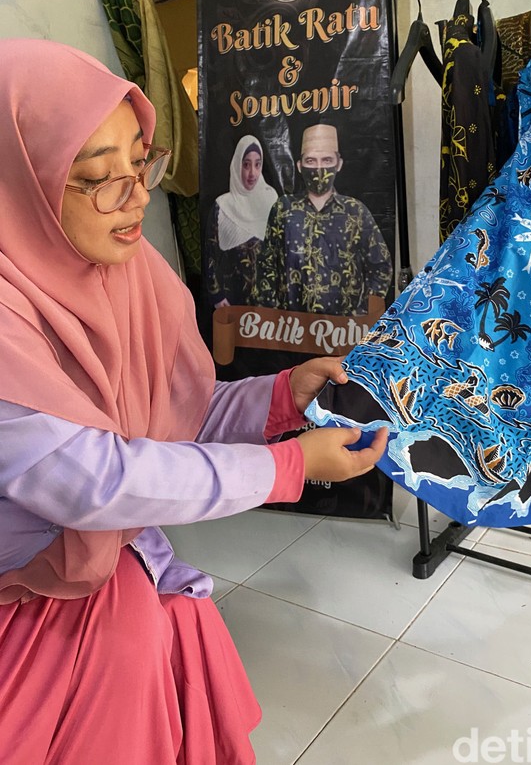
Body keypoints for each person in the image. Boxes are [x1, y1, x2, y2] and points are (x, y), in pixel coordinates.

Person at [0, 38, 387, 765]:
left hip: (111, 566)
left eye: (139, 160)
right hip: (21, 601)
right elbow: (98, 478)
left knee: (159, 628)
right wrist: (286, 469)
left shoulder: (129, 270)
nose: (137, 196)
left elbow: (176, 415)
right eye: (98, 176)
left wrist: (282, 394)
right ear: (21, 179)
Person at [255, 123, 393, 315]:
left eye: (327, 160)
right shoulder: (283, 209)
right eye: (311, 161)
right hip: (292, 331)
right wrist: (274, 315)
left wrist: (361, 316)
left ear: (339, 164)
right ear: (299, 165)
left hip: (344, 334)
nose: (319, 168)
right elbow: (266, 264)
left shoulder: (356, 212)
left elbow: (381, 267)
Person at [206, 135, 278, 308]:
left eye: (257, 164)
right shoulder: (222, 206)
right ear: (237, 164)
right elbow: (210, 255)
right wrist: (217, 296)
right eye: (246, 164)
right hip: (232, 302)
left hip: (270, 301)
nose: (252, 173)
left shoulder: (271, 199)